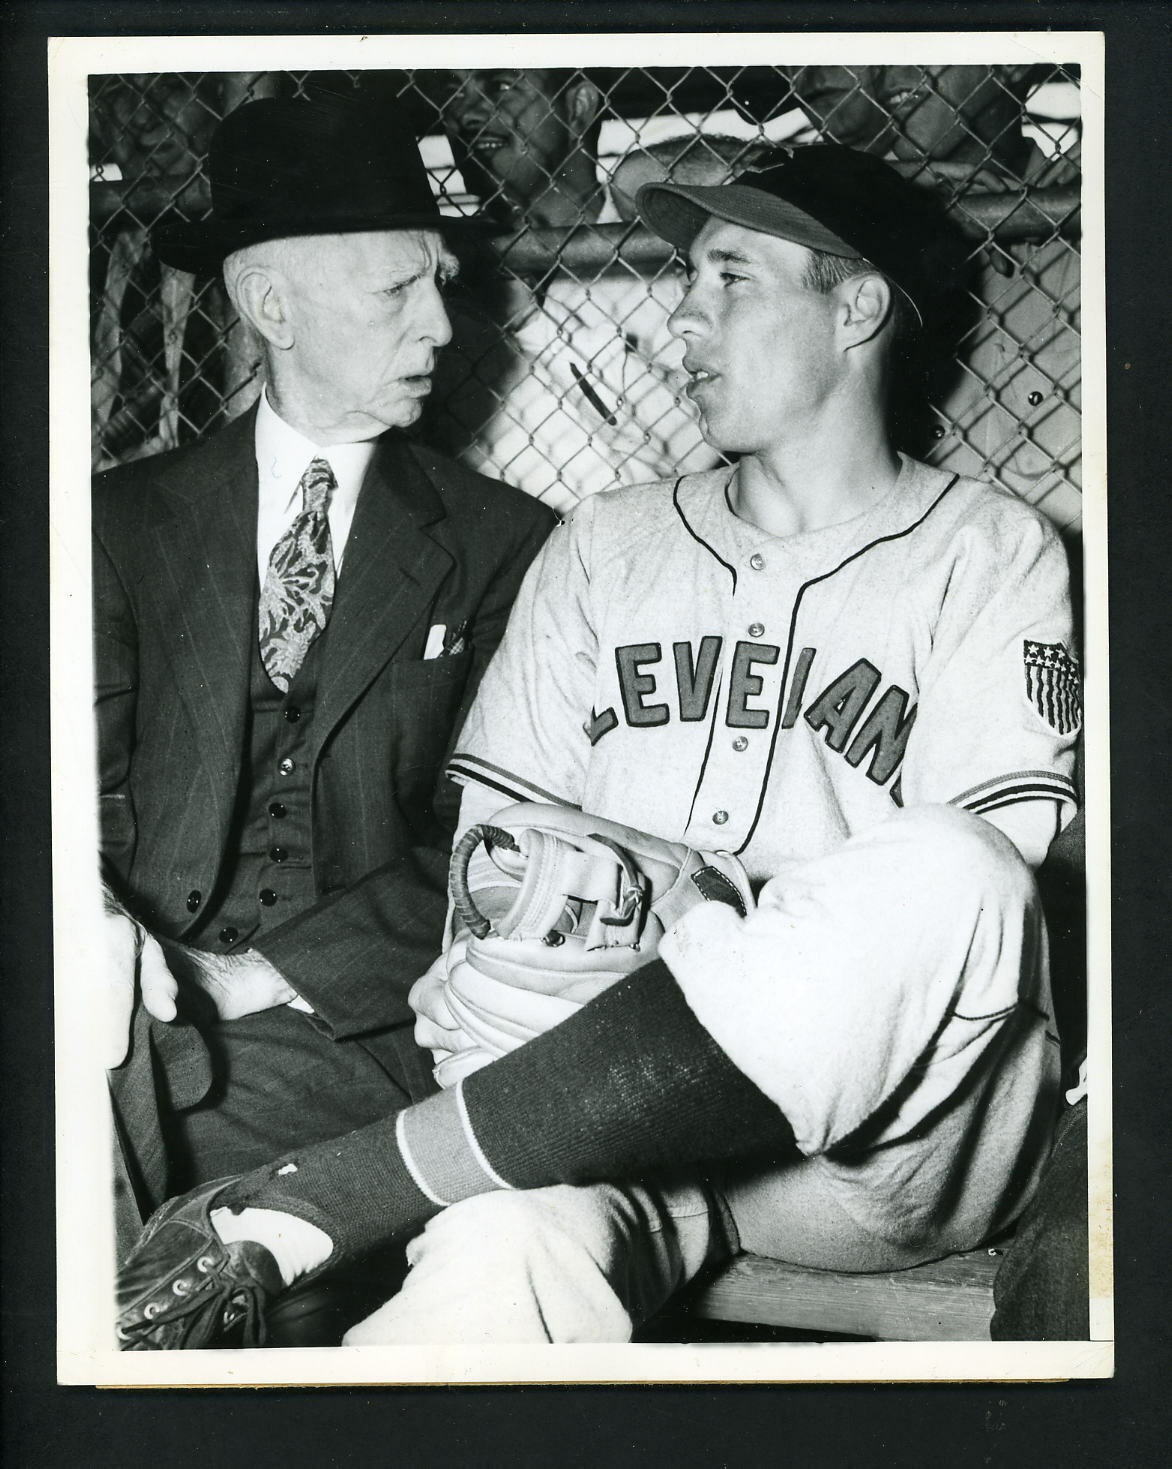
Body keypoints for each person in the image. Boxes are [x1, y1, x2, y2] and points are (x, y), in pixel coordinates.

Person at [116, 145, 1081, 1350]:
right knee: (497, 1262)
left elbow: (970, 911)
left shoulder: (990, 551)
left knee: (952, 869)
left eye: (731, 275)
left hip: (871, 1160)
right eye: (686, 275)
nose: (683, 310)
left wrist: (686, 898)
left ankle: (343, 1185)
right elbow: (492, 854)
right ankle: (308, 1248)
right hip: (590, 1121)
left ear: (857, 306)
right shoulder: (602, 542)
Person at [96, 93, 556, 1253]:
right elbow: (69, 795)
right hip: (129, 1004)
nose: (441, 330)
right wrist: (106, 937)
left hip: (355, 1017)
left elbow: (489, 839)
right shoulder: (113, 525)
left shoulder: (503, 542)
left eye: (440, 283)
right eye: (397, 289)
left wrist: (266, 973)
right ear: (270, 305)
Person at [780, 64, 1082, 538]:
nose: (890, 67)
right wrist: (893, 184)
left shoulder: (1097, 183)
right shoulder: (857, 223)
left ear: (1014, 57)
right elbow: (637, 178)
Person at [424, 68, 724, 510]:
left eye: (500, 86)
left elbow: (657, 489)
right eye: (453, 94)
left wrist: (528, 323)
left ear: (579, 106)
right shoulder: (434, 286)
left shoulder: (676, 271)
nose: (466, 113)